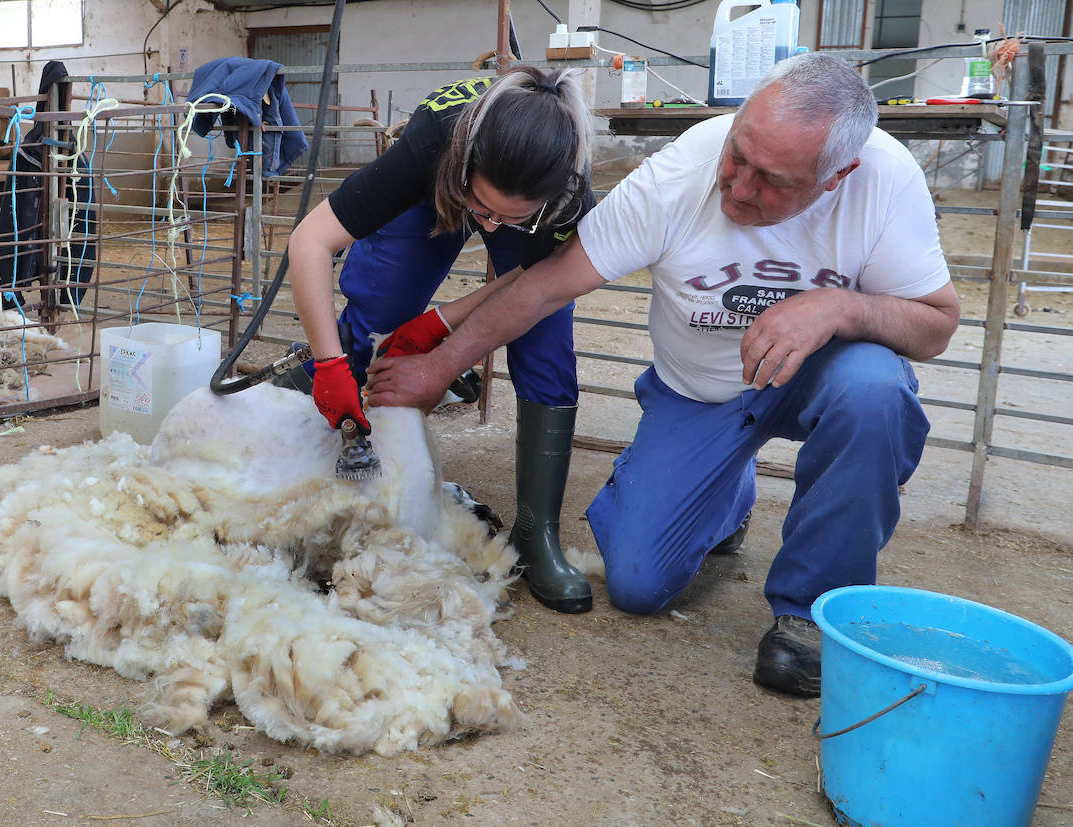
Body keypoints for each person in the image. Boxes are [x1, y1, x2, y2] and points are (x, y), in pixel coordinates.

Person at [366, 52, 961, 697]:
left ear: (837, 175)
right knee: (638, 583)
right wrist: (440, 365)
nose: (737, 188)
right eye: (738, 155)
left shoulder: (885, 179)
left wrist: (838, 307)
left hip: (819, 380)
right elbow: (544, 287)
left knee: (875, 388)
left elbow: (934, 325)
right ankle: (726, 493)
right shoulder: (685, 170)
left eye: (772, 180)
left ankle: (812, 614)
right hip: (700, 394)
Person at [284, 66, 597, 614]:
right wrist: (329, 361)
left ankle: (536, 529)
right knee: (384, 306)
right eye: (484, 211)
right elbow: (311, 240)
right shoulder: (433, 143)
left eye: (510, 217)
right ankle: (321, 415)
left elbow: (530, 281)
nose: (493, 228)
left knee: (545, 343)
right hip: (434, 184)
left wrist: (444, 330)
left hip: (519, 215)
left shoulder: (566, 195)